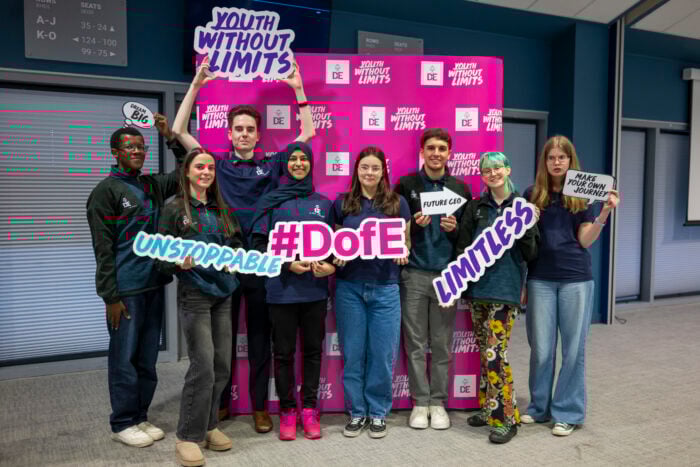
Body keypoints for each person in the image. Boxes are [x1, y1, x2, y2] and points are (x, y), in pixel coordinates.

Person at [172, 56, 315, 433]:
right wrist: (195, 86)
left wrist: (299, 90)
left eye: (251, 129)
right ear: (230, 133)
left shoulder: (272, 165)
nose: (245, 134)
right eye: (239, 128)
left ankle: (258, 409)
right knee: (220, 344)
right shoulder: (214, 163)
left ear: (258, 133)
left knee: (259, 341)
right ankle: (217, 404)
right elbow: (178, 130)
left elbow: (308, 137)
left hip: (261, 263)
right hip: (222, 261)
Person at [86, 115, 185, 447]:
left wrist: (170, 137)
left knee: (145, 358)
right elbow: (102, 250)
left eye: (142, 147)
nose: (138, 152)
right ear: (115, 151)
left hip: (153, 284)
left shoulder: (151, 185)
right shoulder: (105, 192)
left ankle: (140, 415)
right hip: (125, 291)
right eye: (130, 147)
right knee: (123, 358)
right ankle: (123, 421)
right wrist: (109, 296)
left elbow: (188, 169)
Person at [522, 135, 619, 436]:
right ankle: (539, 408)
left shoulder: (581, 195)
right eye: (551, 157)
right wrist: (524, 280)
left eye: (562, 157)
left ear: (570, 161)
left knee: (574, 350)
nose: (556, 162)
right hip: (540, 279)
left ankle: (568, 412)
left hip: (576, 279)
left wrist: (604, 212)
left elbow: (584, 240)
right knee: (541, 349)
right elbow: (524, 242)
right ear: (544, 161)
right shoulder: (531, 194)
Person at [155, 147, 243, 466]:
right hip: (194, 294)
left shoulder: (222, 209)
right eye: (199, 167)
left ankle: (208, 426)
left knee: (221, 366)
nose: (205, 171)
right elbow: (159, 256)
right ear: (187, 171)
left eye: (210, 167)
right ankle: (187, 437)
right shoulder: (174, 208)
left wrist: (235, 260)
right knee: (202, 366)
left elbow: (236, 245)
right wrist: (176, 262)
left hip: (224, 294)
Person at [251, 143, 335, 441]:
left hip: (314, 292)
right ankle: (287, 409)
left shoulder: (324, 204)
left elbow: (338, 246)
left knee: (313, 352)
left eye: (304, 159)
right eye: (293, 159)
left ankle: (309, 409)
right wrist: (287, 264)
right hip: (281, 291)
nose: (299, 164)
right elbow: (258, 246)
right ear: (285, 164)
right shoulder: (271, 202)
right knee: (283, 353)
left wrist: (331, 266)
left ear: (311, 164)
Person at [457, 152, 539, 444]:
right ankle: (489, 407)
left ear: (508, 169)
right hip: (479, 292)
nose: (492, 173)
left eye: (497, 168)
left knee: (496, 354)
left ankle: (508, 417)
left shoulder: (522, 207)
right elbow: (463, 249)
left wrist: (525, 228)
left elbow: (531, 253)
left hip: (506, 293)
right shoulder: (476, 208)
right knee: (485, 353)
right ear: (481, 176)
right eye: (486, 170)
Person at [394, 128, 471, 431]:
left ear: (449, 153)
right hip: (413, 273)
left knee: (440, 344)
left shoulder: (460, 188)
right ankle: (420, 402)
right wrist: (412, 226)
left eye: (442, 148)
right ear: (422, 152)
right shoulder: (407, 184)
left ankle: (438, 402)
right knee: (414, 343)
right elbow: (395, 230)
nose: (436, 153)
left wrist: (454, 230)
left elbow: (466, 236)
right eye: (431, 148)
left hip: (447, 276)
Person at [332, 147, 411, 439]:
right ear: (357, 170)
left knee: (382, 354)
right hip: (349, 287)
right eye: (364, 167)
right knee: (353, 354)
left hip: (386, 287)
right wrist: (335, 255)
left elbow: (406, 242)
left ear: (383, 172)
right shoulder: (342, 204)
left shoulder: (397, 203)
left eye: (375, 168)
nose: (369, 173)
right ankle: (357, 411)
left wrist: (404, 251)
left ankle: (378, 412)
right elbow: (334, 241)